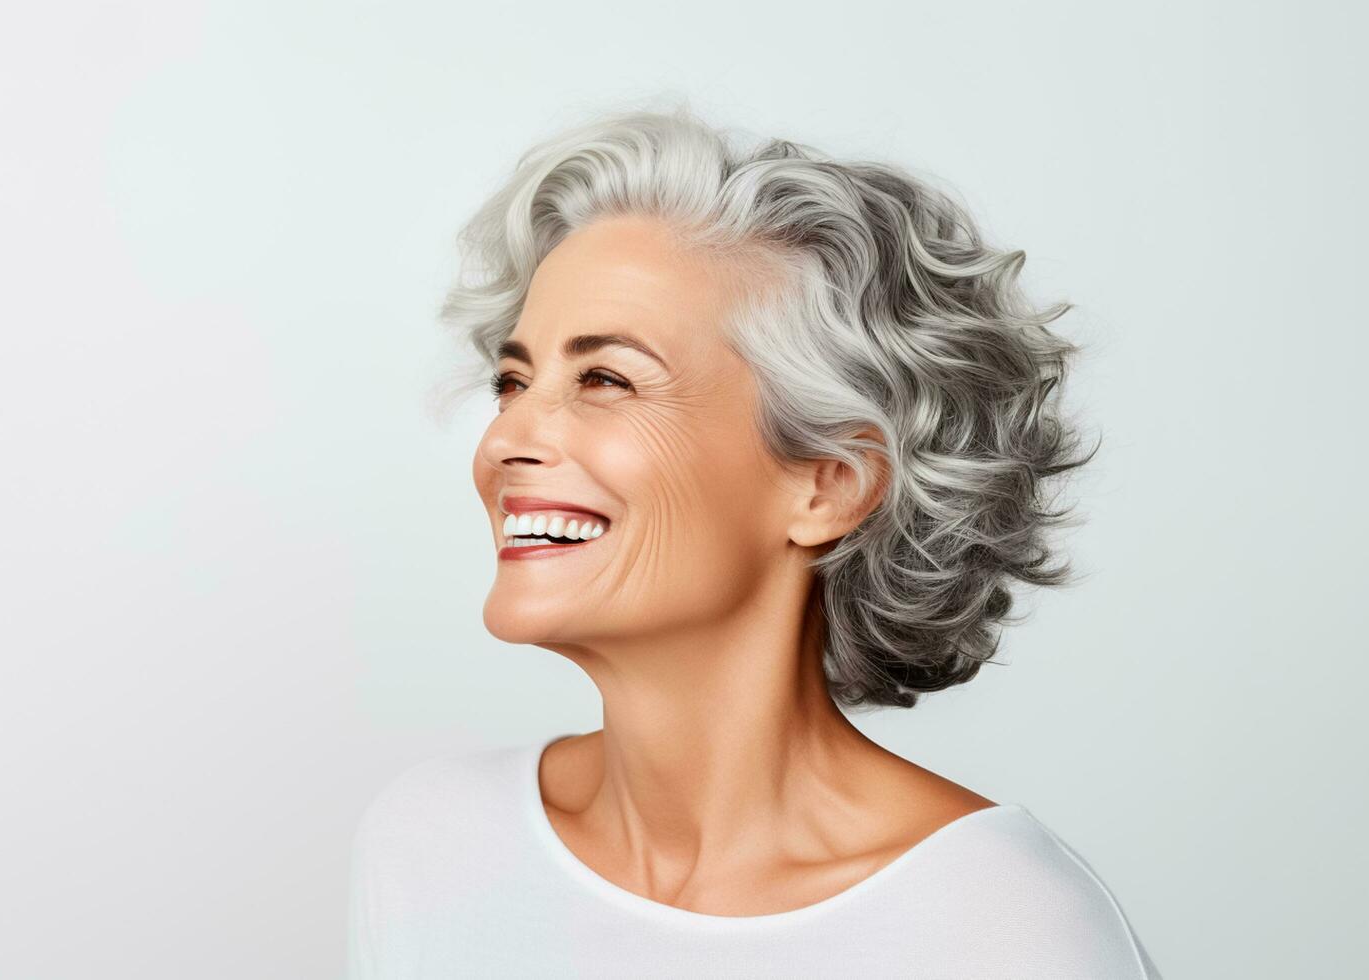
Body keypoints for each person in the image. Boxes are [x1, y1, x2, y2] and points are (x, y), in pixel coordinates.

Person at [347, 105, 1162, 978]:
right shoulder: (432, 843)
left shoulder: (995, 927)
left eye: (606, 378)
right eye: (514, 380)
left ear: (828, 484)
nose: (505, 440)